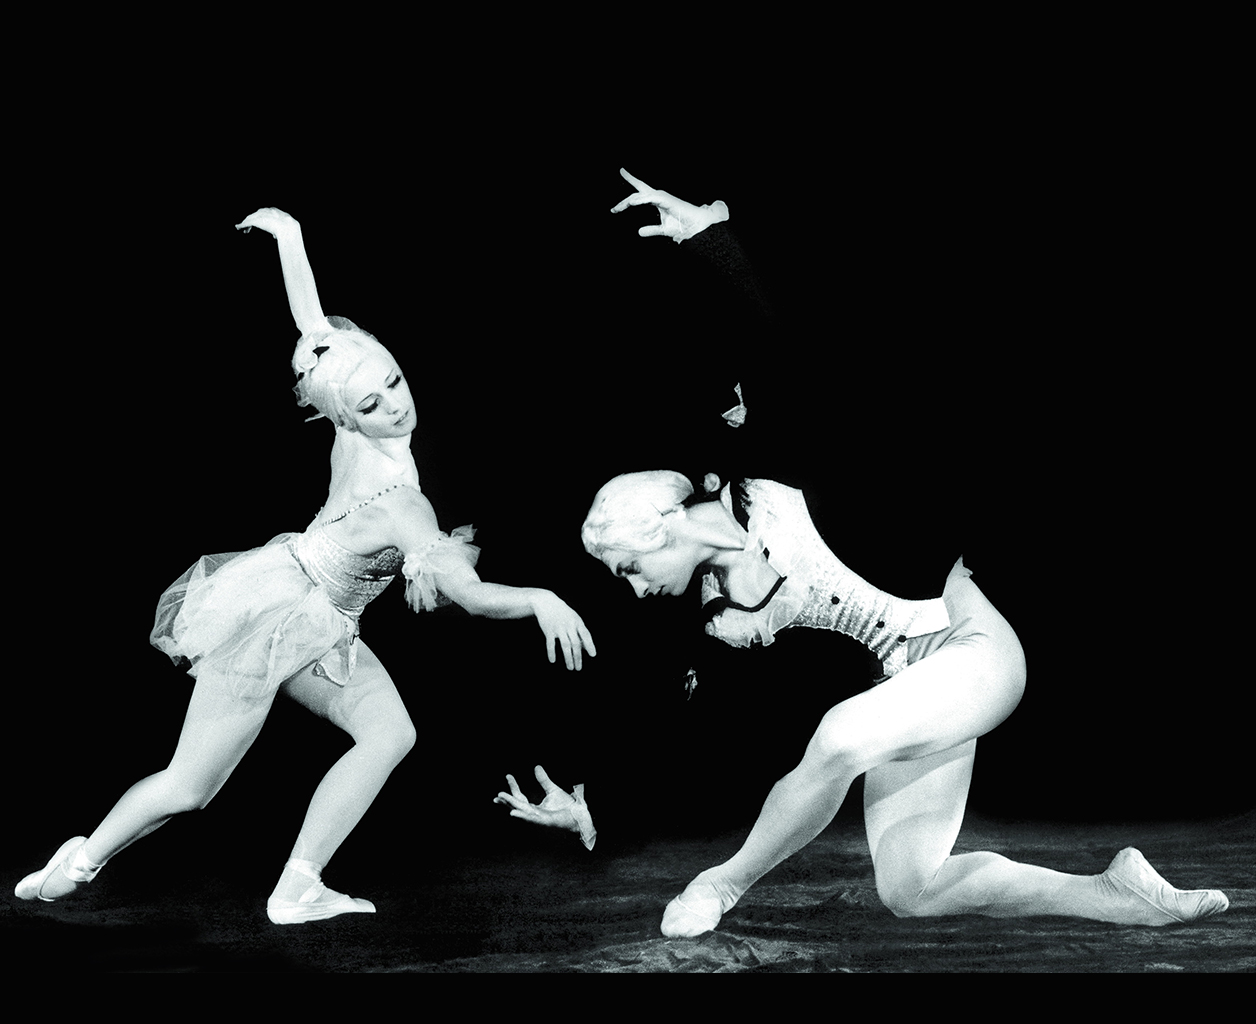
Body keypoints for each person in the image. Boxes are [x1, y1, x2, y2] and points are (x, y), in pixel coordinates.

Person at [495, 169, 1230, 937]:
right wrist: (601, 810)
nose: (634, 588)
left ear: (660, 527)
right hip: (910, 688)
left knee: (841, 736)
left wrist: (710, 239)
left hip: (973, 648)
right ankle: (1116, 894)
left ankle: (720, 885)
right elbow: (672, 736)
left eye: (628, 568)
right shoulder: (717, 622)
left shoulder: (775, 468)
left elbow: (772, 348)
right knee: (912, 888)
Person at [15, 208, 595, 924]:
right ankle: (79, 861)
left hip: (317, 610)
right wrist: (539, 597)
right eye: (372, 403)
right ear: (344, 417)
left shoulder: (354, 420)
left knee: (389, 734)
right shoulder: (401, 502)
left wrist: (290, 238)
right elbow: (470, 595)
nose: (395, 406)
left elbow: (315, 326)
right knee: (191, 786)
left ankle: (297, 887)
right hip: (278, 615)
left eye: (395, 381)